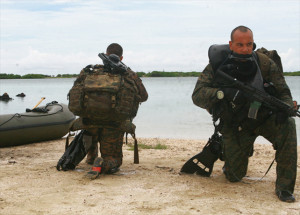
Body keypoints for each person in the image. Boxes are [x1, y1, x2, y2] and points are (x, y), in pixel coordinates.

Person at [192, 26, 297, 202]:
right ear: (231, 44)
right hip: (235, 124)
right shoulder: (216, 66)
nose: (245, 49)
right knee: (234, 176)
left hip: (263, 119)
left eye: (249, 44)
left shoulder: (264, 63)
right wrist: (223, 94)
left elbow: (284, 92)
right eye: (240, 45)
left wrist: (285, 108)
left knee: (288, 125)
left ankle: (284, 188)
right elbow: (197, 96)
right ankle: (232, 152)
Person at [74, 43, 148, 179]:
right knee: (114, 160)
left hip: (89, 123)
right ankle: (103, 163)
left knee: (91, 130)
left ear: (105, 55)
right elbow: (144, 96)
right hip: (113, 125)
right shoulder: (128, 73)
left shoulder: (89, 71)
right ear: (121, 57)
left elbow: (76, 93)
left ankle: (91, 156)